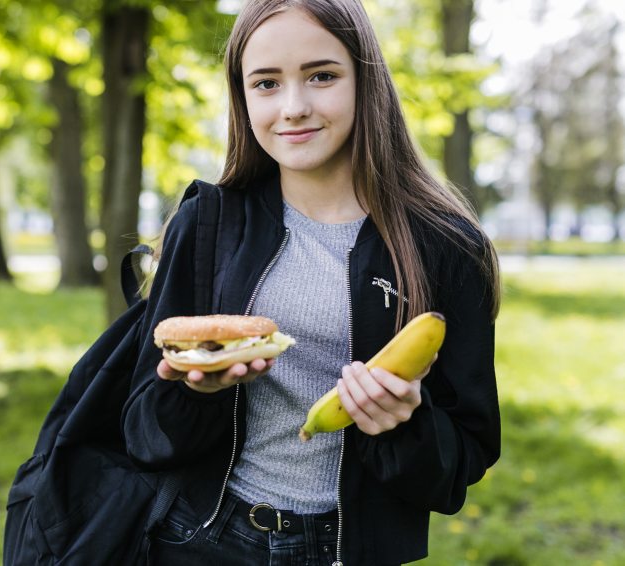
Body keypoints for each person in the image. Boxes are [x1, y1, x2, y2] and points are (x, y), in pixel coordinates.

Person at [123, 1, 501, 564]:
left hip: (352, 549)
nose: (294, 107)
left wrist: (402, 424)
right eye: (266, 83)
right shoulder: (207, 222)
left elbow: (463, 463)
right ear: (242, 98)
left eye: (322, 76)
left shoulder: (445, 247)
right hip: (201, 537)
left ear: (365, 80)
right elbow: (143, 432)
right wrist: (193, 390)